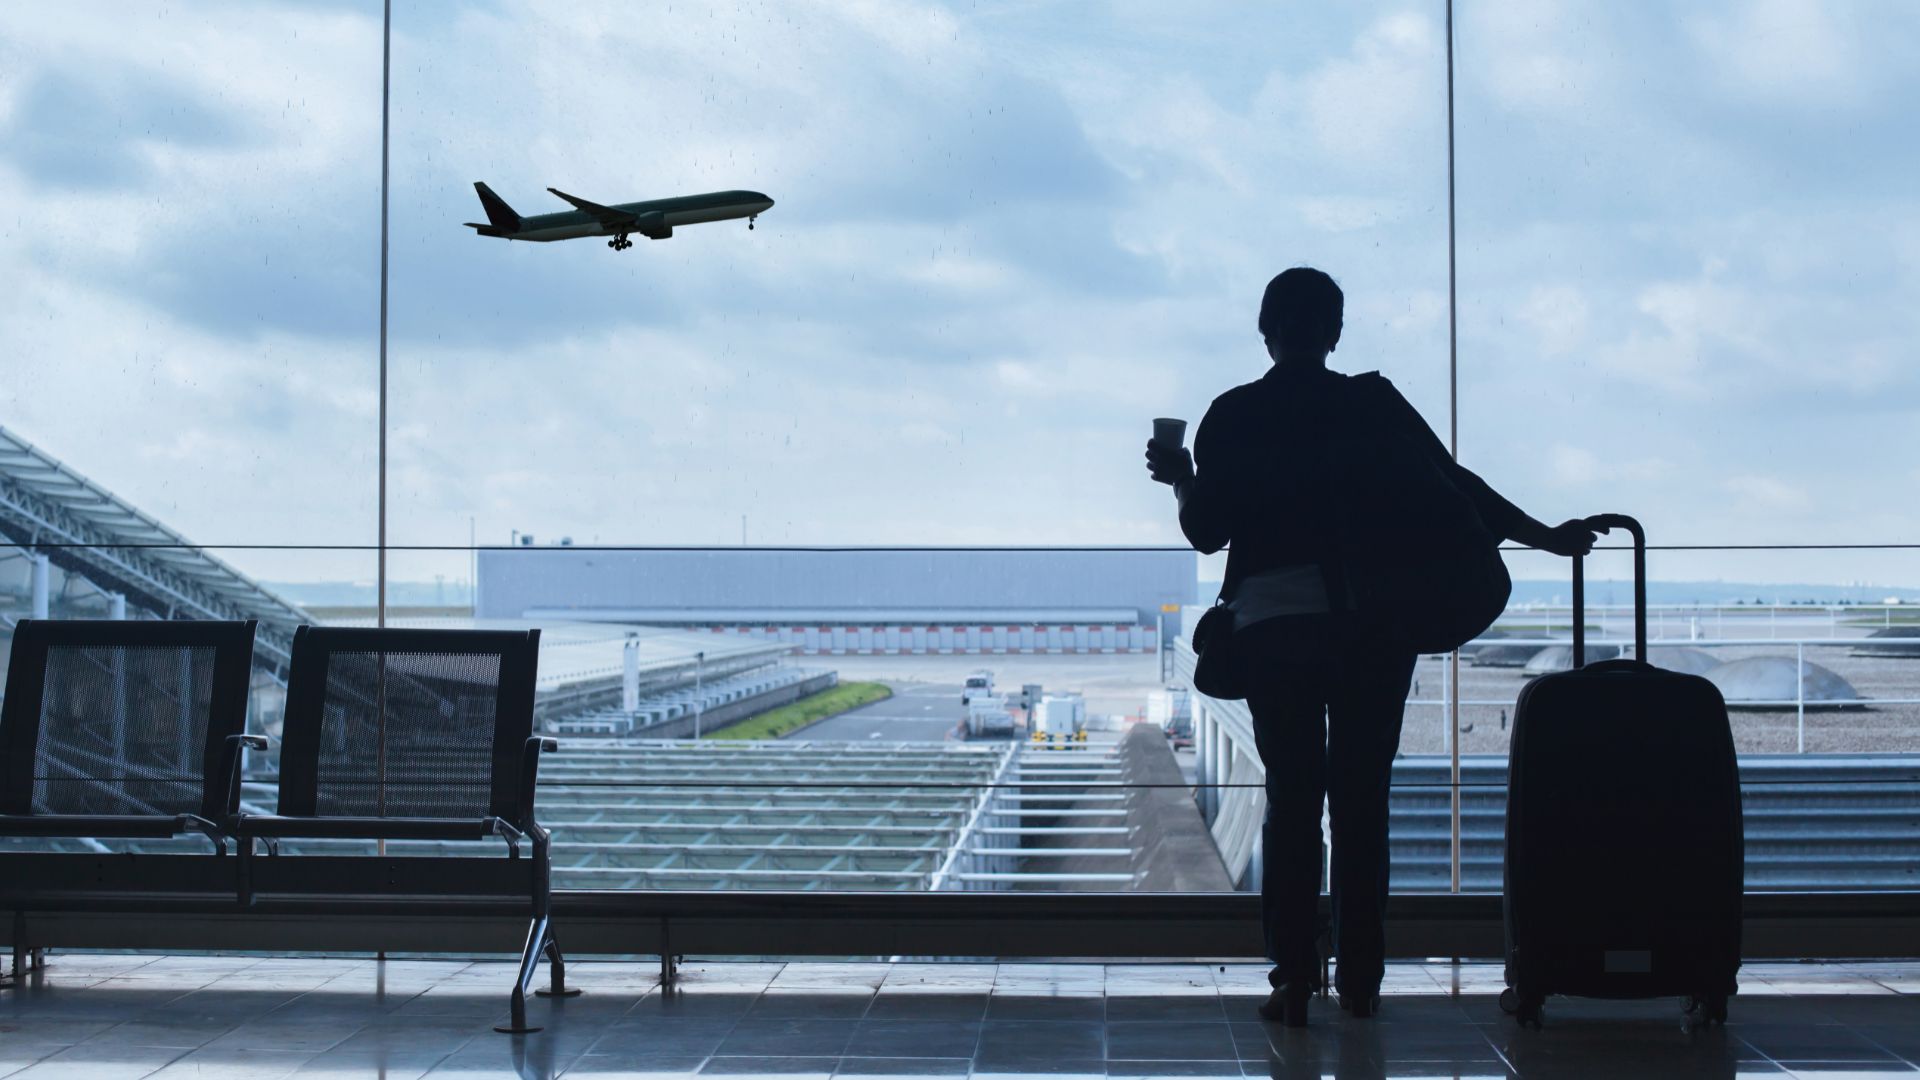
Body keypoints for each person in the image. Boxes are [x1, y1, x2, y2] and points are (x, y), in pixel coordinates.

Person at [1144, 267, 1595, 1026]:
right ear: (1335, 332)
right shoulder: (1372, 403)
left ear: (1266, 329)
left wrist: (1182, 478)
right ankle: (1360, 981)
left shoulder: (1236, 413)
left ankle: (1292, 980)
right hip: (1372, 627)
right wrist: (1545, 537)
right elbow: (1455, 487)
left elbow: (1207, 531)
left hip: (1275, 628)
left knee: (1293, 804)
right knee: (1361, 804)